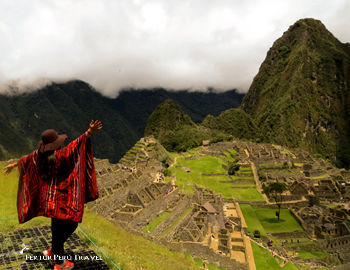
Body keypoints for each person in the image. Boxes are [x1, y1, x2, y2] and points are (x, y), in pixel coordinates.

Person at [3, 120, 103, 270]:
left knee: (56, 227)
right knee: (71, 224)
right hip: (64, 201)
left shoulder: (39, 157)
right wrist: (89, 132)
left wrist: (13, 165)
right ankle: (60, 263)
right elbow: (76, 145)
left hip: (50, 201)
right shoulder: (62, 155)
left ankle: (53, 252)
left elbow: (27, 159)